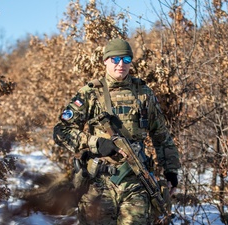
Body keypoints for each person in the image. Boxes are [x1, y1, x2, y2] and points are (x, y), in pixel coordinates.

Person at [53, 38, 181, 225]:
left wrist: (171, 171)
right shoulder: (90, 94)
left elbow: (161, 135)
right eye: (115, 59)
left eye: (126, 59)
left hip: (136, 183)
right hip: (99, 184)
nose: (121, 64)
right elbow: (61, 131)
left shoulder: (143, 93)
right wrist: (95, 144)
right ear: (105, 61)